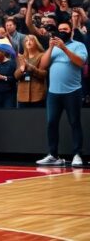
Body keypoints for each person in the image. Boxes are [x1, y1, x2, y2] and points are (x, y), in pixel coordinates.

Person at [37, 22, 87, 167]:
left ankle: (77, 154)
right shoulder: (53, 47)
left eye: (65, 29)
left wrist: (64, 48)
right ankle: (53, 155)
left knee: (74, 122)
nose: (62, 32)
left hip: (73, 91)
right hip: (54, 92)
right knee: (51, 123)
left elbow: (80, 62)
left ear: (71, 31)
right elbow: (42, 66)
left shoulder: (78, 45)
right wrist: (51, 47)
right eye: (60, 30)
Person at [14, 35, 47, 108]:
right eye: (26, 41)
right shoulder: (21, 57)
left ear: (36, 43)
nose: (28, 42)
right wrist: (21, 69)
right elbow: (16, 76)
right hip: (22, 96)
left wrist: (31, 68)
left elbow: (44, 74)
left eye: (31, 40)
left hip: (37, 95)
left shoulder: (42, 56)